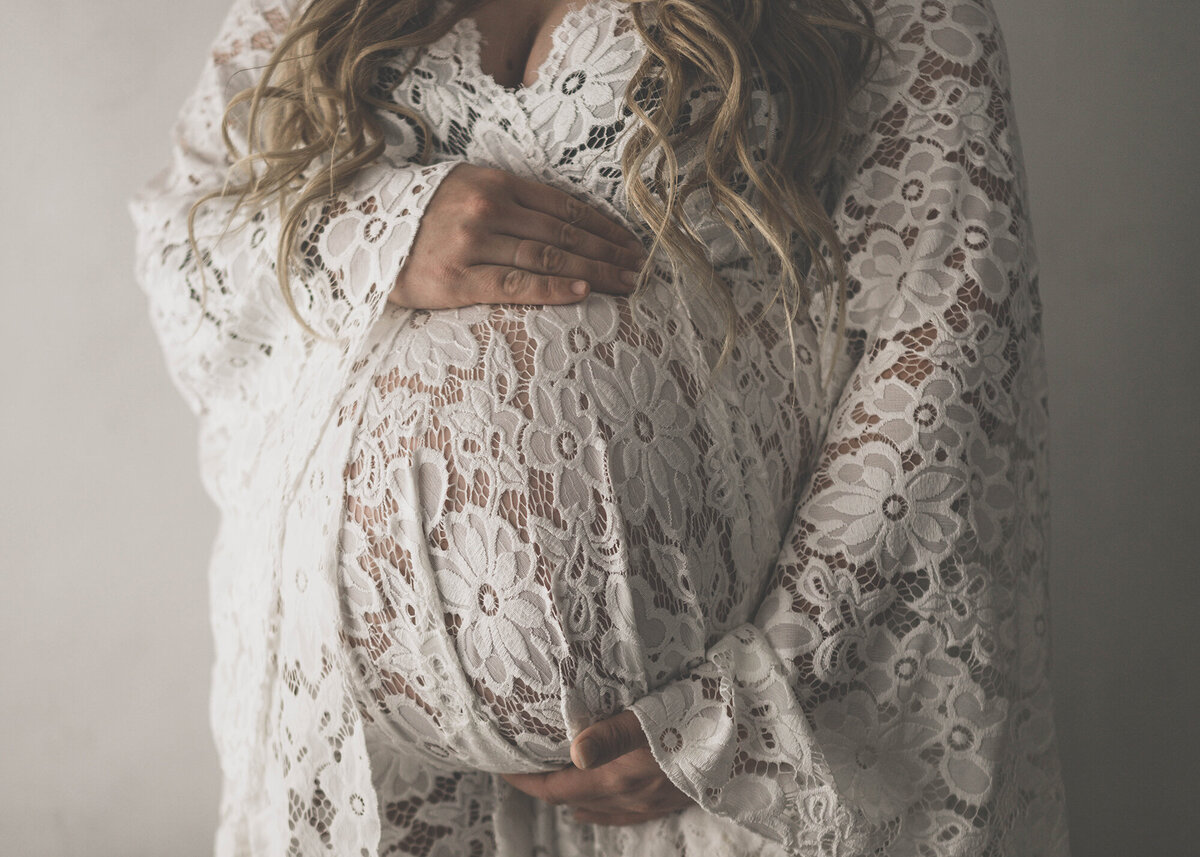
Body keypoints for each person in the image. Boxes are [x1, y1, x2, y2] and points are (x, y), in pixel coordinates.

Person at [129, 0, 1071, 854]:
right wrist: (379, 232)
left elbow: (943, 334)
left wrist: (755, 706)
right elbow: (185, 242)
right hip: (373, 765)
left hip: (719, 761)